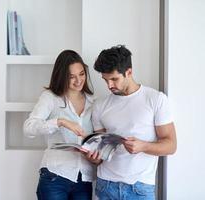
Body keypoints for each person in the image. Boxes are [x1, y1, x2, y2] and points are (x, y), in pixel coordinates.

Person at [87, 45, 177, 200]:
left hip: (139, 188)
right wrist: (93, 156)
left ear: (129, 72)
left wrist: (143, 146)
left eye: (114, 79)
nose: (109, 86)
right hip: (105, 186)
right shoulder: (100, 105)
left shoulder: (155, 99)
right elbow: (100, 153)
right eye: (105, 80)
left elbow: (171, 145)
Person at [24, 50, 95, 200]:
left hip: (83, 179)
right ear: (62, 76)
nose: (78, 81)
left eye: (81, 74)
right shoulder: (50, 98)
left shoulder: (92, 101)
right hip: (55, 177)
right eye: (71, 77)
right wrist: (60, 122)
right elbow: (29, 128)